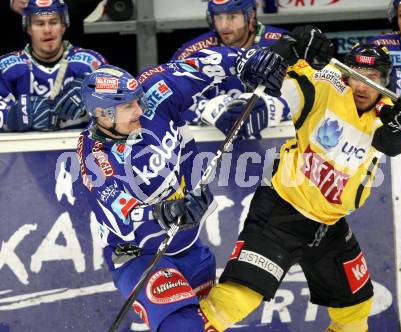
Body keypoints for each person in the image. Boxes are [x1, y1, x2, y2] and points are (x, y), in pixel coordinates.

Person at [198, 27, 401, 332]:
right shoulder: (324, 87)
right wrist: (292, 46)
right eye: (357, 76)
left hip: (329, 226)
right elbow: (271, 74)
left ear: (385, 82)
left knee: (355, 311)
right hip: (281, 213)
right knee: (235, 300)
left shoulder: (389, 114)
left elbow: (394, 143)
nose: (363, 86)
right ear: (346, 75)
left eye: (373, 79)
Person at [77, 45, 287, 331]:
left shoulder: (154, 94)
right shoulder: (96, 157)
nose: (139, 109)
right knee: (185, 327)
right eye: (127, 106)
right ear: (102, 114)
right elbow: (124, 220)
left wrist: (245, 60)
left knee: (208, 325)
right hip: (141, 258)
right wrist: (168, 211)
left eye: (137, 100)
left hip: (189, 247)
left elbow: (202, 65)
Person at [170, 0, 291, 133]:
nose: (223, 26)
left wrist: (275, 107)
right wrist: (208, 109)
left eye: (232, 16)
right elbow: (169, 97)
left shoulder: (282, 44)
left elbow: (311, 89)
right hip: (211, 143)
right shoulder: (192, 52)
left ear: (250, 16)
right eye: (218, 17)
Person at [0, 0, 107, 132]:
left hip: (80, 150)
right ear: (28, 28)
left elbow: (127, 101)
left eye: (53, 22)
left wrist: (94, 88)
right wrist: (9, 118)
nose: (47, 30)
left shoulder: (91, 63)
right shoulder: (6, 68)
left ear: (64, 25)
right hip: (22, 150)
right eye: (39, 23)